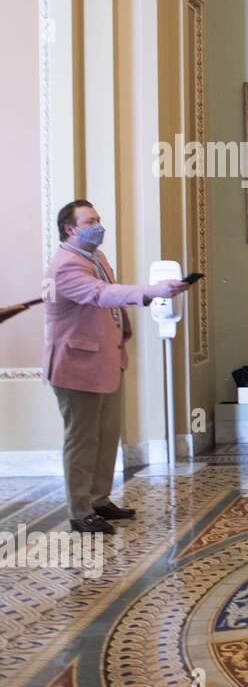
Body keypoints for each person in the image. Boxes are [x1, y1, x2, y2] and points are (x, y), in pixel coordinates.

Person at [43, 200, 190, 533]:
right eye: (90, 221)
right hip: (76, 366)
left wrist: (153, 296)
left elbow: (111, 295)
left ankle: (99, 499)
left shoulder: (95, 257)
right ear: (71, 228)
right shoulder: (66, 265)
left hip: (106, 360)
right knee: (82, 440)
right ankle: (80, 510)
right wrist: (150, 291)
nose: (98, 225)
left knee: (107, 435)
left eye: (98, 219)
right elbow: (101, 294)